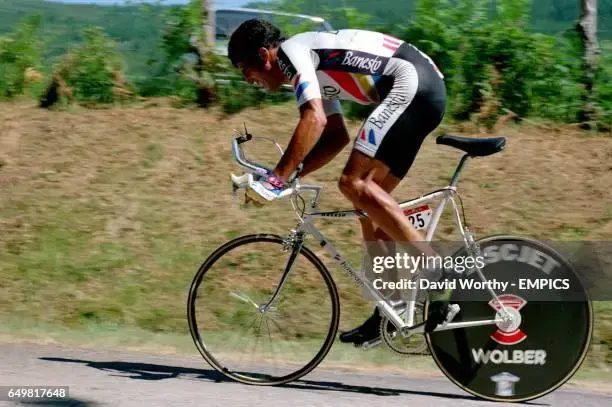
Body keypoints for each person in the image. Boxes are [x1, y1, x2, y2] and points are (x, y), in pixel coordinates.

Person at [227, 19, 448, 346]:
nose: (247, 80)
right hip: (422, 88)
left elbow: (313, 119)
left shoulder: (291, 53)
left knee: (352, 183)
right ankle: (388, 313)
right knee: (370, 213)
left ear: (264, 55)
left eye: (245, 68)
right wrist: (292, 176)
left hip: (409, 82)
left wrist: (275, 179)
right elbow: (334, 135)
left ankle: (435, 266)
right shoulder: (310, 66)